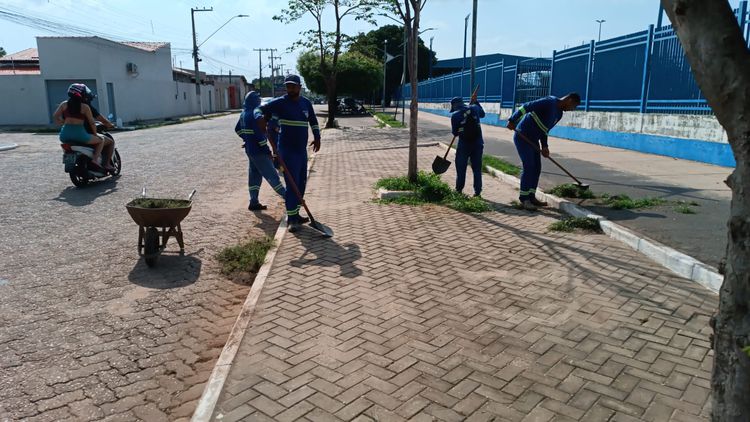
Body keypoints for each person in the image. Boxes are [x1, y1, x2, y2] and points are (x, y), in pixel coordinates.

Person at [254, 74, 321, 233]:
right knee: (292, 184)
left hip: (301, 151)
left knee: (301, 183)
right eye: (288, 86)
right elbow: (258, 109)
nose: (290, 89)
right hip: (287, 151)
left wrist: (317, 137)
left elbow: (313, 121)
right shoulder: (281, 103)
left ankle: (295, 213)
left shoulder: (306, 103)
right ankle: (291, 219)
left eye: (293, 86)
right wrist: (259, 117)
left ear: (299, 87)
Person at [506, 93, 581, 211]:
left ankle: (531, 196)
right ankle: (524, 199)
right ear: (569, 100)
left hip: (534, 140)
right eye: (573, 106)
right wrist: (512, 120)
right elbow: (526, 107)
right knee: (529, 166)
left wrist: (545, 146)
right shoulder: (549, 102)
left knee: (537, 167)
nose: (572, 109)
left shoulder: (559, 114)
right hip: (523, 136)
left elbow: (544, 130)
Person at [235, 91, 286, 211]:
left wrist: (247, 139)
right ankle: (288, 197)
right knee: (272, 176)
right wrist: (267, 151)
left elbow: (237, 129)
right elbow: (260, 137)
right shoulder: (254, 114)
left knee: (254, 176)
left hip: (250, 151)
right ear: (255, 101)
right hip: (259, 152)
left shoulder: (243, 114)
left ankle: (253, 201)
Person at [52, 83, 113, 172]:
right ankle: (95, 160)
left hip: (64, 135)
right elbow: (92, 123)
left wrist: (63, 123)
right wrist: (96, 134)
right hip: (80, 134)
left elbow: (55, 116)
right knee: (101, 140)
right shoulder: (85, 107)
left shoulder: (64, 104)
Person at [450, 91, 485, 197]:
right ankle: (477, 192)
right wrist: (476, 102)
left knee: (461, 168)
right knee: (477, 168)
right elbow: (483, 114)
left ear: (455, 106)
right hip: (478, 143)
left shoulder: (455, 116)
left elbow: (455, 133)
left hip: (464, 145)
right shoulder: (474, 108)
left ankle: (459, 190)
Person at [81, 86, 116, 168]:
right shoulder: (87, 107)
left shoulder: (67, 106)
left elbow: (57, 119)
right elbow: (98, 120)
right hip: (84, 134)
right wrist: (110, 125)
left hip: (68, 135)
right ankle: (106, 164)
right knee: (109, 142)